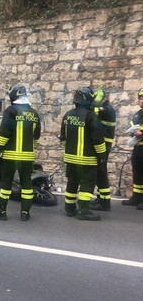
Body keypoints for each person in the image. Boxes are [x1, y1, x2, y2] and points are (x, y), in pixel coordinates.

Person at [0, 85, 41, 222]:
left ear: (13, 96)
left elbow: (4, 133)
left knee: (5, 184)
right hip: (27, 157)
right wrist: (30, 151)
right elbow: (36, 136)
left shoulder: (11, 111)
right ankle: (25, 212)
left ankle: (1, 211)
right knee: (27, 185)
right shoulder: (34, 113)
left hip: (10, 156)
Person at [60, 87, 106, 221]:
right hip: (87, 159)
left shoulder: (67, 115)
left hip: (70, 158)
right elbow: (98, 140)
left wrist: (68, 151)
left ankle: (69, 208)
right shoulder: (91, 116)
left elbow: (63, 137)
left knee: (72, 182)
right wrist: (102, 156)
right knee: (87, 184)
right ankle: (84, 211)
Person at [89, 89, 116, 211]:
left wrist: (96, 101)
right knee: (100, 171)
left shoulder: (107, 109)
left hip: (104, 144)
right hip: (103, 142)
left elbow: (93, 111)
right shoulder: (105, 108)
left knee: (101, 172)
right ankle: (101, 198)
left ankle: (105, 203)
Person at [121, 88, 143, 209]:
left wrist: (142, 133)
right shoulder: (138, 114)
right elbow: (132, 125)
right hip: (138, 147)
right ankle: (137, 197)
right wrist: (133, 132)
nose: (142, 100)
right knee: (138, 173)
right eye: (140, 98)